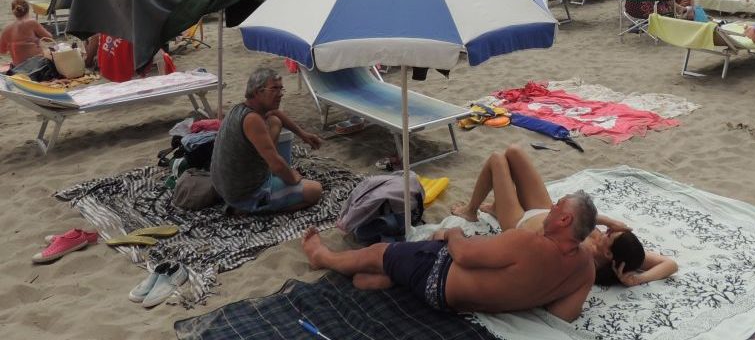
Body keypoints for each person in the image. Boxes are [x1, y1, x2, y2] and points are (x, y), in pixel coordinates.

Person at [301, 188, 598, 321]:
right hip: (463, 300)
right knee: (404, 259)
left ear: (565, 220)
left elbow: (464, 256)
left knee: (381, 251)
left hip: (438, 276)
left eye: (558, 205)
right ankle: (389, 279)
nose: (552, 207)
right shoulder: (586, 268)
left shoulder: (529, 243)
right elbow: (563, 315)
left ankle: (323, 258)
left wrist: (453, 233)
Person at [450, 145, 677, 287]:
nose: (606, 231)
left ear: (608, 253)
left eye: (609, 234)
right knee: (514, 153)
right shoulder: (625, 254)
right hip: (548, 213)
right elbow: (670, 264)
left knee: (497, 159)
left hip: (521, 225)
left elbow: (565, 226)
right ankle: (496, 207)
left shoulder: (586, 256)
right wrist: (637, 279)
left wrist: (606, 221)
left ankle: (471, 211)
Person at [210, 68, 324, 213]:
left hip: (225, 186)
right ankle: (252, 209)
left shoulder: (241, 109)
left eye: (281, 89)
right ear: (258, 92)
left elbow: (276, 113)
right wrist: (293, 177)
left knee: (275, 121)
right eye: (274, 89)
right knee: (315, 190)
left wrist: (302, 134)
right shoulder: (252, 120)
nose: (280, 94)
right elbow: (276, 164)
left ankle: (264, 193)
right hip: (245, 194)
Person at [0, 0, 53, 66]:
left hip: (18, 67)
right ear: (28, 10)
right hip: (37, 66)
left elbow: (2, 50)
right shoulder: (31, 23)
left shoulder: (6, 29)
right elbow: (49, 38)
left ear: (13, 12)